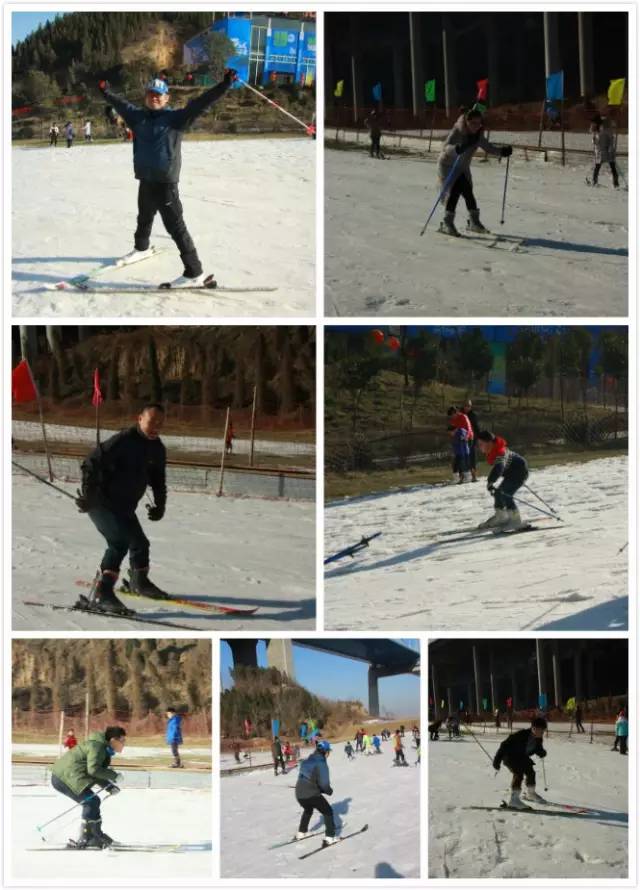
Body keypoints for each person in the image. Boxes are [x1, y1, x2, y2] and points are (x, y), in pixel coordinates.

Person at [98, 70, 238, 288]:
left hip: (166, 183)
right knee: (144, 216)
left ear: (166, 98)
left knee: (176, 227)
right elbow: (120, 103)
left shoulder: (176, 119)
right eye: (151, 94)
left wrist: (224, 84)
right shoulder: (137, 117)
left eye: (158, 94)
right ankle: (141, 248)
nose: (154, 97)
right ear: (146, 97)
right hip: (146, 179)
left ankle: (194, 272)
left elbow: (202, 102)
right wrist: (105, 91)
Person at [74, 404, 168, 614]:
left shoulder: (157, 448)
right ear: (140, 419)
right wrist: (89, 495)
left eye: (160, 423)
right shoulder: (123, 440)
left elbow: (158, 479)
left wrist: (160, 504)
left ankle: (139, 582)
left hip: (124, 506)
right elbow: (91, 462)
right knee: (118, 543)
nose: (156, 426)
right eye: (152, 421)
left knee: (140, 543)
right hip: (101, 503)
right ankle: (102, 593)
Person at [437, 106, 512, 236]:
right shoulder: (458, 131)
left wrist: (502, 152)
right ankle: (447, 223)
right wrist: (457, 148)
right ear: (466, 121)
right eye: (473, 123)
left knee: (467, 191)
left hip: (462, 166)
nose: (477, 126)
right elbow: (445, 147)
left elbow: (488, 147)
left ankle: (473, 222)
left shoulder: (477, 135)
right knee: (455, 191)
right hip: (448, 165)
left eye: (479, 123)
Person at [50, 725, 126, 848]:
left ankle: (96, 835)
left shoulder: (102, 748)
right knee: (90, 802)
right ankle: (86, 837)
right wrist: (114, 776)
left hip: (71, 777)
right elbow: (93, 770)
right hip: (64, 777)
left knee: (93, 801)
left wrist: (108, 786)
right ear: (113, 740)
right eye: (122, 741)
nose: (124, 744)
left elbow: (96, 771)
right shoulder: (97, 747)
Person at [476, 430, 529, 531]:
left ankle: (516, 521)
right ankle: (501, 516)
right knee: (498, 494)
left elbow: (499, 467)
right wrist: (490, 481)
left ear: (489, 442)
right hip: (511, 474)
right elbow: (498, 467)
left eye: (481, 444)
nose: (479, 447)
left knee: (505, 494)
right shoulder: (494, 450)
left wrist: (491, 481)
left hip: (519, 473)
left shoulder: (500, 452)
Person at [492, 716, 547, 809]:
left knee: (531, 772)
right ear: (534, 728)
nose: (542, 733)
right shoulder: (521, 735)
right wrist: (497, 760)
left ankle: (531, 794)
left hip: (522, 757)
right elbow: (504, 745)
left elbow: (537, 748)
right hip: (510, 756)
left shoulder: (538, 738)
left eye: (543, 731)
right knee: (518, 773)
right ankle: (514, 800)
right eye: (541, 730)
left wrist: (541, 752)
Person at [294, 740, 337, 845]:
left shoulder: (308, 760)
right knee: (328, 811)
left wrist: (317, 786)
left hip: (299, 793)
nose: (328, 754)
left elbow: (307, 776)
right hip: (311, 794)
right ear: (325, 752)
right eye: (328, 752)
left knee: (308, 809)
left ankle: (301, 832)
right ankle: (330, 837)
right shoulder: (321, 763)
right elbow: (324, 784)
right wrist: (328, 791)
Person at [589, 114, 619, 188]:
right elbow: (595, 142)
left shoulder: (606, 129)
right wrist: (594, 140)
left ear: (597, 122)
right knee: (597, 167)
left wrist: (610, 148)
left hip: (608, 151)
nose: (592, 124)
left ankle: (616, 183)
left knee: (612, 167)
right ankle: (594, 181)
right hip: (599, 152)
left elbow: (611, 139)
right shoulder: (595, 130)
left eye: (594, 122)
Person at [447, 406, 472, 484]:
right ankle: (462, 477)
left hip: (466, 438)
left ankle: (466, 477)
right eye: (450, 416)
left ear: (455, 412)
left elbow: (468, 428)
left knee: (463, 460)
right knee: (460, 461)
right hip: (458, 441)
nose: (452, 417)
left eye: (452, 415)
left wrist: (466, 437)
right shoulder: (453, 420)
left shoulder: (463, 417)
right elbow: (451, 430)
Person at [462, 400, 480, 482]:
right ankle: (463, 476)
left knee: (472, 457)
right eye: (466, 405)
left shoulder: (473, 415)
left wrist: (479, 438)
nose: (467, 407)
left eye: (468, 406)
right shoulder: (461, 414)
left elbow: (476, 427)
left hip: (472, 439)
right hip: (462, 439)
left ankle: (474, 476)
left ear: (471, 406)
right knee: (462, 457)